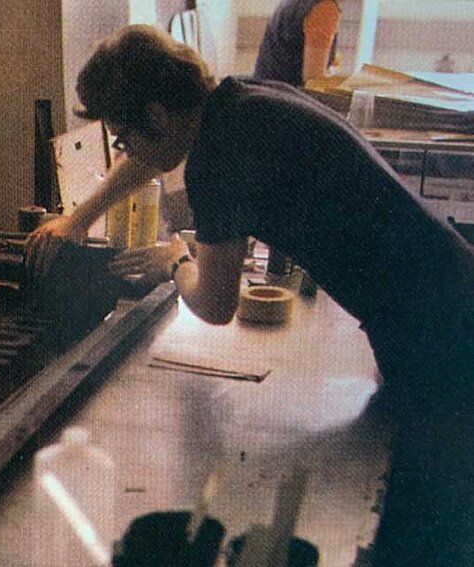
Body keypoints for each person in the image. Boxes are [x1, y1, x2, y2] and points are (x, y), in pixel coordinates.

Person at [25, 25, 474, 566]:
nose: (124, 148)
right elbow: (152, 155)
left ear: (158, 115)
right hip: (448, 291)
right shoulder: (239, 101)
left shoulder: (219, 157)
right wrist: (79, 220)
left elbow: (215, 306)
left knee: (425, 532)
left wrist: (176, 261)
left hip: (441, 336)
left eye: (122, 136)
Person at [254, 0, 341, 86]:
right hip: (285, 92)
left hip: (264, 88)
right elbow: (314, 82)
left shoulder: (295, 3)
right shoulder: (323, 8)